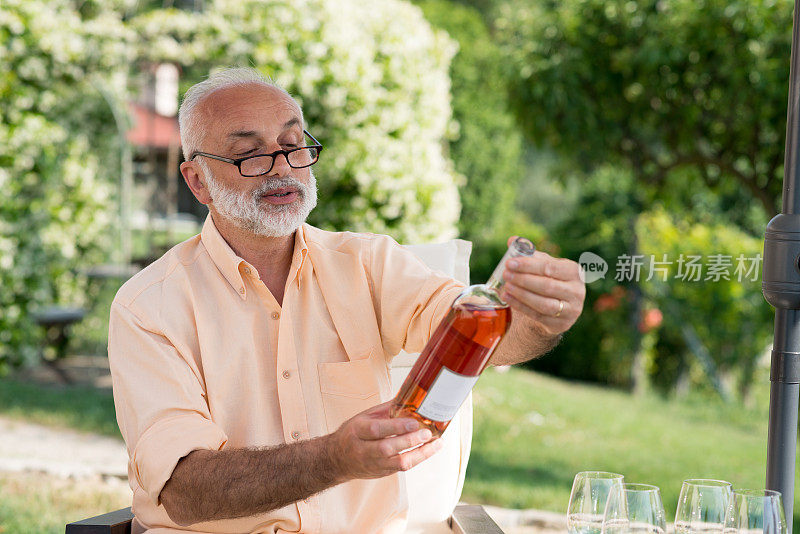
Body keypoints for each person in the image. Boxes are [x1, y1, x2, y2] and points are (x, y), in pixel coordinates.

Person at [108, 67, 586, 534]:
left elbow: (479, 335)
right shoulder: (150, 306)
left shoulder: (369, 264)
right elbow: (184, 490)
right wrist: (334, 459)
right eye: (250, 155)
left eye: (294, 146)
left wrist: (541, 319)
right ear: (197, 182)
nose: (282, 168)